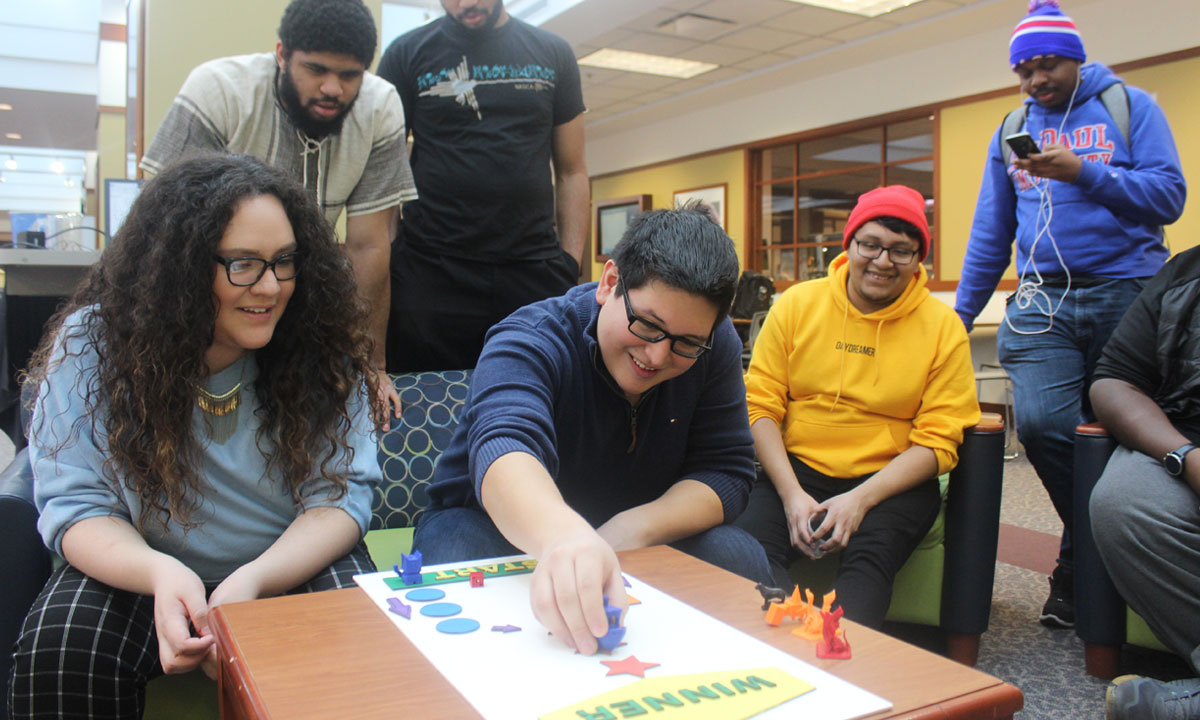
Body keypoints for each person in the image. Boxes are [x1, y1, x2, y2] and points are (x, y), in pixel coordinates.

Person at [7, 154, 383, 719]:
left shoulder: (319, 341)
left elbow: (339, 500)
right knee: (62, 651)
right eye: (243, 265)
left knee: (368, 647)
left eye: (285, 262)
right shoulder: (93, 345)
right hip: (140, 567)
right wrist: (162, 574)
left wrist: (253, 581)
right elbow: (76, 505)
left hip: (285, 562)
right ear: (179, 266)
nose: (271, 286)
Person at [411, 206, 770, 655]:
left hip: (638, 529)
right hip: (502, 527)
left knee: (736, 554)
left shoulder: (712, 349)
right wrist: (565, 538)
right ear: (609, 282)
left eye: (685, 343)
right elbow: (505, 445)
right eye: (648, 326)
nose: (656, 357)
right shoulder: (531, 336)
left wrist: (628, 530)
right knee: (455, 546)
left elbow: (727, 471)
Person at [954, 0, 1185, 629]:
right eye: (1023, 70)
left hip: (1129, 291)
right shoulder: (1011, 127)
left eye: (1047, 64)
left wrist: (1085, 172)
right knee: (1044, 425)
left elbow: (1168, 197)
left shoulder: (1130, 107)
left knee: (1122, 431)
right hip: (1041, 298)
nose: (1035, 81)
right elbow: (989, 231)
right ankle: (1095, 559)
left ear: (1076, 58)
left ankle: (1077, 573)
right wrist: (958, 318)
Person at [140, 0, 416, 423]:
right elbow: (164, 233)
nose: (332, 89)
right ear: (282, 54)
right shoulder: (220, 91)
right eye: (316, 70)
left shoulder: (380, 108)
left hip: (298, 307)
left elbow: (368, 245)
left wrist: (372, 366)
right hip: (208, 304)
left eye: (349, 75)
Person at [736, 186, 980, 629]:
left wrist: (860, 501)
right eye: (871, 244)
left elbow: (940, 439)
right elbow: (760, 405)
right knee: (747, 552)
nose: (883, 261)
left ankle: (835, 651)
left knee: (868, 564)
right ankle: (786, 637)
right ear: (848, 245)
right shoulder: (795, 305)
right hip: (797, 468)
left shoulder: (943, 328)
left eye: (901, 251)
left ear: (918, 258)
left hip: (890, 480)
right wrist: (792, 495)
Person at [377, 0, 589, 373]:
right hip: (431, 272)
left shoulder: (553, 53)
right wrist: (392, 257)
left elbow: (572, 171)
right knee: (428, 409)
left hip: (531, 272)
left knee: (534, 399)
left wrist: (568, 266)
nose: (467, 4)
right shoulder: (405, 55)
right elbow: (384, 172)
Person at [1087, 246, 1200, 720]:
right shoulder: (1185, 273)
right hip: (1187, 439)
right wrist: (1185, 458)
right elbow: (1113, 381)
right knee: (1123, 503)